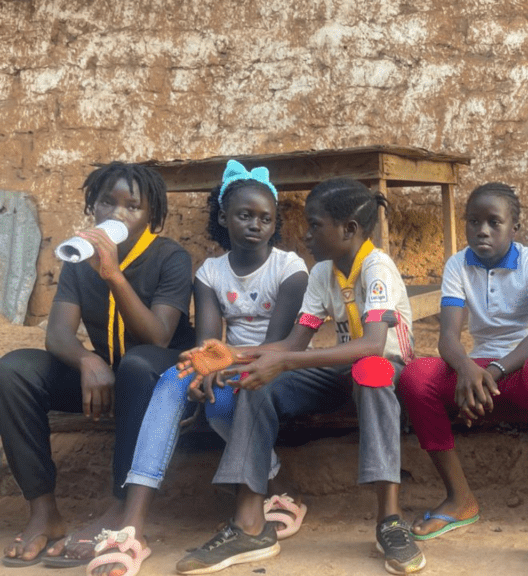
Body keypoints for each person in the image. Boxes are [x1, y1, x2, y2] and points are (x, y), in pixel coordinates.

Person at [173, 178, 423, 575]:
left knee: (371, 372)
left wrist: (285, 362)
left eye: (314, 225)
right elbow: (294, 342)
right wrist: (233, 357)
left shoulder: (377, 268)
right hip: (339, 370)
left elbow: (373, 345)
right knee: (259, 380)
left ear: (349, 230)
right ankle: (250, 525)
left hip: (384, 369)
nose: (304, 235)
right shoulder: (322, 272)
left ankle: (390, 521)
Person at [86, 161, 309, 576]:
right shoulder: (209, 272)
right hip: (228, 364)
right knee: (178, 378)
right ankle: (133, 527)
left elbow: (279, 344)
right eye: (245, 215)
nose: (255, 225)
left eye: (265, 218)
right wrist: (204, 365)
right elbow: (209, 339)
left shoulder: (290, 268)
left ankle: (279, 483)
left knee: (221, 388)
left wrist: (219, 360)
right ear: (224, 217)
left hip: (275, 367)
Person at [0, 162, 194, 568]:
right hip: (108, 376)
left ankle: (120, 509)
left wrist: (113, 274)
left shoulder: (170, 257)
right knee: (14, 370)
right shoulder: (77, 257)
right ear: (93, 206)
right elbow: (57, 334)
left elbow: (157, 337)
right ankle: (44, 511)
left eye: (132, 206)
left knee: (139, 364)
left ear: (152, 217)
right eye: (108, 201)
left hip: (161, 381)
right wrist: (88, 360)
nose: (117, 214)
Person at [398, 183, 528, 576]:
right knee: (417, 376)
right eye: (473, 222)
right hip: (477, 367)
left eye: (494, 222)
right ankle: (459, 497)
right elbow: (448, 337)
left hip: (518, 370)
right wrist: (468, 370)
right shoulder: (457, 264)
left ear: (514, 227)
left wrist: (494, 371)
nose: (482, 230)